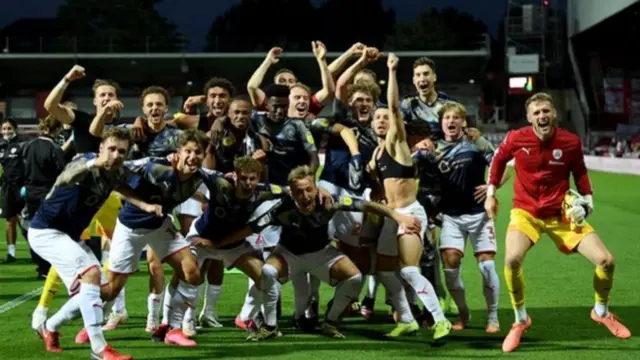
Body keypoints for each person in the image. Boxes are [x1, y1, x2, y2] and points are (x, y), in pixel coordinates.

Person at [485, 92, 632, 353]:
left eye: (546, 111)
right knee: (511, 261)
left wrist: (588, 202)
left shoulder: (570, 142)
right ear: (529, 117)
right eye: (536, 112)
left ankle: (601, 311)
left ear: (554, 114)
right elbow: (498, 161)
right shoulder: (516, 138)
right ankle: (520, 320)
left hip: (560, 215)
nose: (542, 116)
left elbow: (580, 172)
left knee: (606, 261)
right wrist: (490, 194)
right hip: (526, 213)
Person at [215, 165, 422, 339]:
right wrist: (218, 243)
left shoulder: (330, 202)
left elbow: (368, 206)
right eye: (299, 192)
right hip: (289, 254)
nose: (305, 196)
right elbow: (250, 229)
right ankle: (270, 326)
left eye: (308, 190)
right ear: (291, 192)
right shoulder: (281, 208)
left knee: (355, 278)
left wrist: (399, 217)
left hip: (321, 253)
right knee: (268, 272)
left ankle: (330, 323)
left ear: (316, 189)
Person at [29, 127, 158, 360]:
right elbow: (66, 177)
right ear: (101, 148)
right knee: (90, 274)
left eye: (122, 151)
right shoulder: (86, 161)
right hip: (46, 232)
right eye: (111, 149)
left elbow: (121, 186)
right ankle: (99, 349)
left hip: (70, 237)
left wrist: (145, 205)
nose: (116, 155)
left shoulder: (116, 172)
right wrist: (94, 163)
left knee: (103, 292)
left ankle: (51, 326)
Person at [367, 53, 451, 341]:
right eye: (377, 118)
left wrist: (391, 70)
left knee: (411, 271)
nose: (382, 121)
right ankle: (407, 319)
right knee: (386, 273)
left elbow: (392, 105)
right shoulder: (376, 154)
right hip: (391, 218)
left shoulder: (398, 142)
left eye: (386, 118)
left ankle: (440, 321)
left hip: (410, 214)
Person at [413, 102, 507, 332]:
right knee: (451, 267)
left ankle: (493, 317)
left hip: (479, 214)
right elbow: (408, 165)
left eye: (456, 117)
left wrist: (491, 187)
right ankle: (464, 313)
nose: (451, 121)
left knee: (486, 267)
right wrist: (416, 147)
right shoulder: (433, 148)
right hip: (451, 217)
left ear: (463, 122)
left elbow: (502, 167)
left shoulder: (476, 142)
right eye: (447, 118)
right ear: (441, 122)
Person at [20, 116, 65, 280]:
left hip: (30, 193)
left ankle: (41, 265)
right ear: (58, 129)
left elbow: (20, 168)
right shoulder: (54, 147)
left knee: (30, 229)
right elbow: (63, 172)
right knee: (51, 230)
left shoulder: (28, 146)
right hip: (49, 193)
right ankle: (51, 265)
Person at [0, 117, 26, 263]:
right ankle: (11, 254)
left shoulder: (22, 144)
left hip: (21, 188)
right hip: (6, 188)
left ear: (15, 129)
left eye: (9, 128)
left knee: (26, 220)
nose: (6, 131)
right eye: (4, 129)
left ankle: (39, 254)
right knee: (10, 221)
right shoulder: (1, 146)